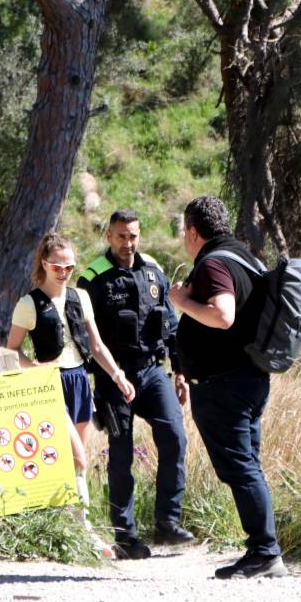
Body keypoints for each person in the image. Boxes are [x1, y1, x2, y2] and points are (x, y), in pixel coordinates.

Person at [169, 195, 287, 579]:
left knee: (240, 467)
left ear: (192, 231)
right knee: (247, 464)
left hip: (225, 385)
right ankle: (263, 548)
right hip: (249, 379)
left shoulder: (214, 262)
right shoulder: (246, 258)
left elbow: (222, 315)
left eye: (184, 234)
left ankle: (265, 552)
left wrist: (181, 301)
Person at [5, 233, 134, 559]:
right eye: (57, 267)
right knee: (77, 457)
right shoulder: (28, 304)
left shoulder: (80, 297)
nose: (64, 272)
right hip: (49, 382)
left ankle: (60, 525)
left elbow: (95, 344)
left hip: (79, 381)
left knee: (73, 462)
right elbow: (11, 350)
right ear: (44, 265)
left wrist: (118, 375)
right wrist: (35, 367)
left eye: (69, 267)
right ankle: (84, 528)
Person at [77, 209, 194, 560]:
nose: (128, 243)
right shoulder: (93, 279)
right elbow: (85, 337)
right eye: (121, 236)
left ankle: (167, 522)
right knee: (121, 455)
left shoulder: (152, 270)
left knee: (175, 436)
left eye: (133, 236)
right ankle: (126, 535)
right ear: (108, 236)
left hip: (152, 372)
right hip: (115, 376)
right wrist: (93, 384)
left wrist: (180, 372)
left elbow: (171, 326)